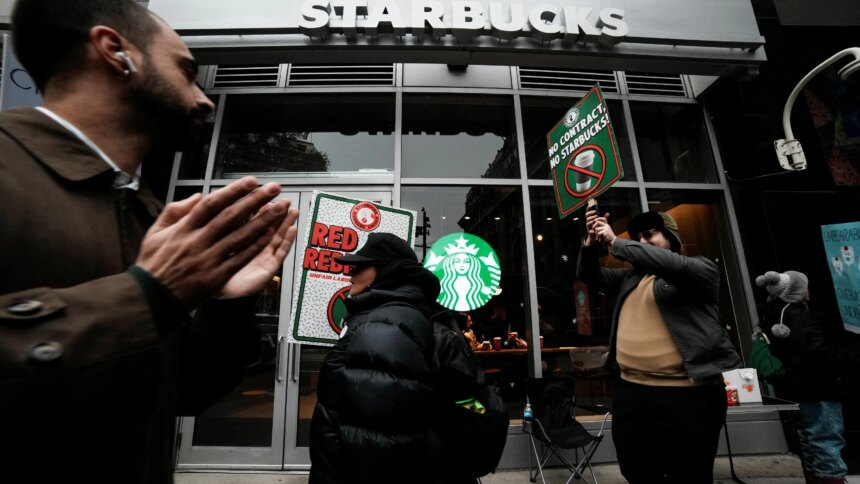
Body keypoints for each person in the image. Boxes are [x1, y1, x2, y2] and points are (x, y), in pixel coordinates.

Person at [0, 1, 300, 482]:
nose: (204, 100)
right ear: (114, 51)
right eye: (186, 72)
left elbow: (180, 394)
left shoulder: (150, 211)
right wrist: (147, 296)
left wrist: (228, 305)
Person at [578, 209, 741, 483]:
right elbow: (590, 275)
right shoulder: (631, 278)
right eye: (638, 238)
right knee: (635, 467)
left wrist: (616, 242)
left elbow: (672, 265)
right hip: (632, 392)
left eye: (649, 234)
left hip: (687, 396)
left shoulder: (699, 270)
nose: (643, 241)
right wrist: (591, 242)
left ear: (671, 238)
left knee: (688, 475)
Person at [309, 232, 471, 484]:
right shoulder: (396, 317)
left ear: (387, 270)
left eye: (358, 267)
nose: (349, 275)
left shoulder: (385, 324)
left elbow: (380, 444)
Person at [756, 270, 859, 484]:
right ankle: (830, 479)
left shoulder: (773, 312)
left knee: (808, 437)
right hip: (817, 385)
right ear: (796, 291)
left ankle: (815, 477)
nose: (808, 291)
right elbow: (818, 351)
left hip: (795, 386)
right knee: (826, 438)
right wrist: (849, 357)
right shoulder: (799, 315)